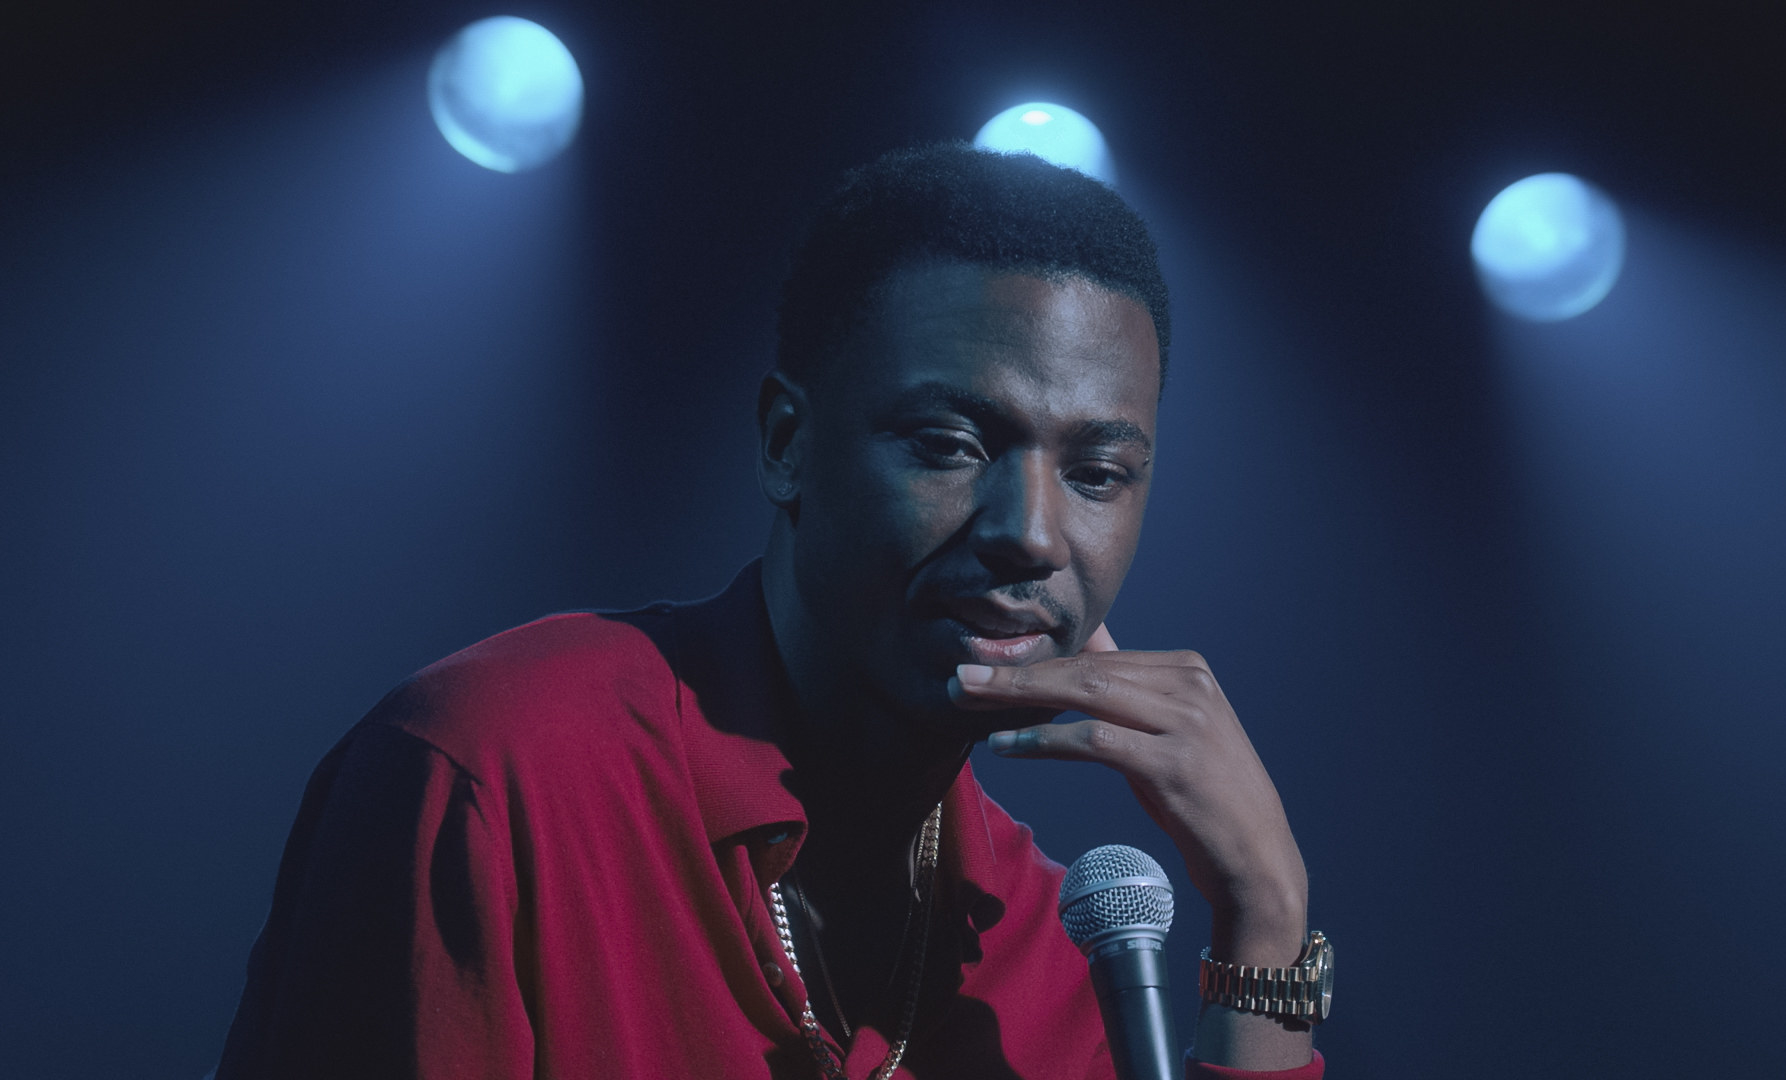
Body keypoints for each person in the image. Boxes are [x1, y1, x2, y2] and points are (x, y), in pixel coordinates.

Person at [215, 143, 1327, 1080]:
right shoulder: (495, 773)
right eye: (949, 445)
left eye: (1098, 473)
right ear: (788, 445)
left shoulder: (1048, 946)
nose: (1031, 533)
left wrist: (1265, 917)